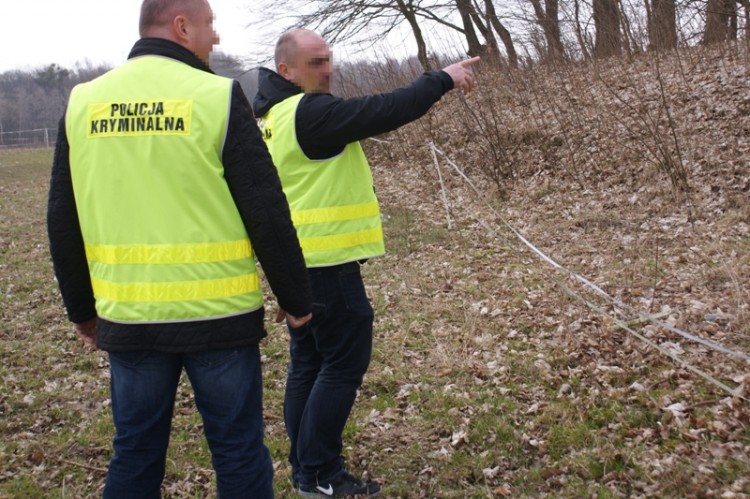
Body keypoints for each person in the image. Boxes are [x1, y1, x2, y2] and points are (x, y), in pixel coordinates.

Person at [47, 1, 312, 497]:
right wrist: (296, 300)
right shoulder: (215, 96)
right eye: (209, 26)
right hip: (218, 319)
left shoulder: (84, 101)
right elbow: (266, 210)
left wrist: (82, 311)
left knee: (135, 452)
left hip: (129, 318)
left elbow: (62, 219)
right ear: (182, 26)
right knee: (237, 451)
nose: (215, 38)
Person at [253, 28, 479, 497]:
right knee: (342, 362)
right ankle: (319, 473)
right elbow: (384, 110)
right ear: (285, 71)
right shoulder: (310, 112)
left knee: (309, 364)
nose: (328, 69)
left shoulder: (272, 116)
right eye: (316, 62)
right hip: (327, 265)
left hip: (298, 265)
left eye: (328, 59)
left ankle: (305, 469)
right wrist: (441, 79)